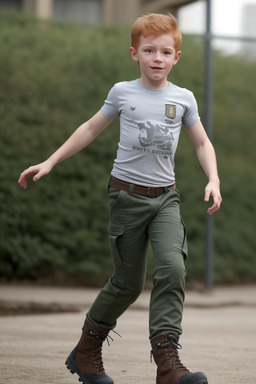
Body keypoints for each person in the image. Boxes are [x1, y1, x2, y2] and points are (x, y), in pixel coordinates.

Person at [18, 13, 222, 384]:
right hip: (125, 198)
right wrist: (50, 161)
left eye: (165, 51)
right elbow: (91, 128)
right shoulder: (122, 92)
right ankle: (85, 352)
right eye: (149, 50)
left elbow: (202, 142)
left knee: (173, 268)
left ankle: (167, 363)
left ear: (177, 57)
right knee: (127, 284)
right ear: (134, 53)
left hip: (165, 200)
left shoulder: (184, 98)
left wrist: (214, 179)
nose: (157, 58)